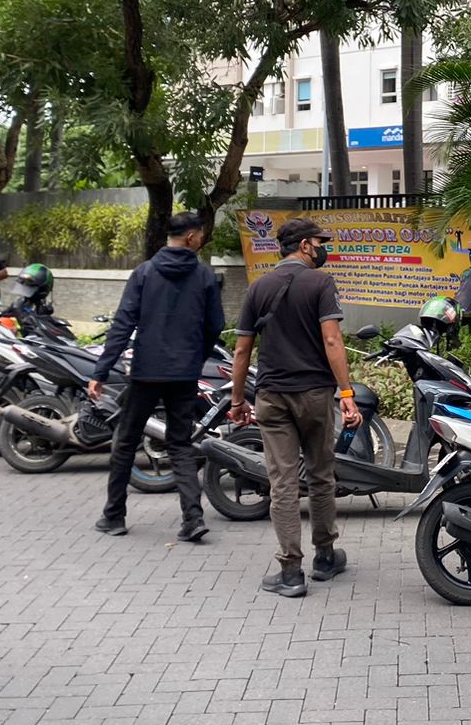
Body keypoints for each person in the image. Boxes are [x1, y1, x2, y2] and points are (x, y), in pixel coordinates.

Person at [229, 218, 362, 597]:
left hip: (271, 396)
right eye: (322, 242)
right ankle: (324, 557)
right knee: (321, 476)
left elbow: (242, 349)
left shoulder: (259, 287)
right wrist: (347, 394)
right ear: (305, 246)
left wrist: (238, 400)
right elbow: (333, 341)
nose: (325, 248)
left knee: (283, 482)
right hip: (314, 395)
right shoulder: (321, 283)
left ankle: (290, 571)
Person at [90, 211, 223, 543]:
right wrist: (196, 357)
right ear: (191, 237)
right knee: (180, 444)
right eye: (201, 234)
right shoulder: (205, 277)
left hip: (147, 372)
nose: (202, 239)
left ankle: (114, 516)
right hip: (183, 374)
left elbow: (123, 324)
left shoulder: (145, 273)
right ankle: (192, 519)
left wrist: (100, 371)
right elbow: (215, 326)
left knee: (125, 442)